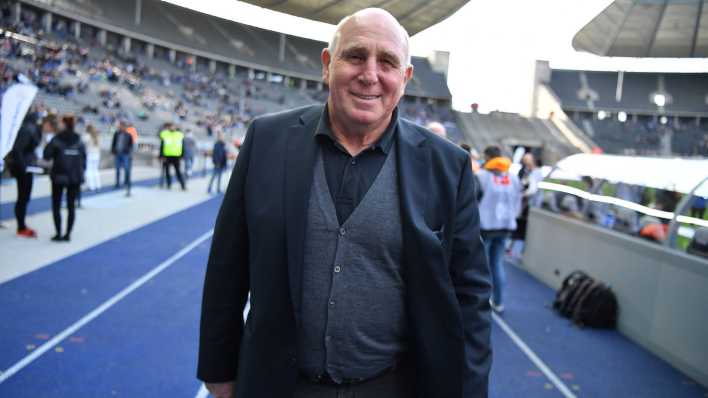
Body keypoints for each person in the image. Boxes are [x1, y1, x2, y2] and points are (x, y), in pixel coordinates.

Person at [197, 8, 491, 398]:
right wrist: (218, 368)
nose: (370, 74)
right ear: (327, 64)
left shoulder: (446, 165)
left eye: (387, 62)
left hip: (394, 387)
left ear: (404, 79)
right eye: (355, 56)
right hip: (277, 385)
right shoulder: (267, 140)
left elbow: (469, 297)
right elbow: (227, 265)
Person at [476, 145, 522, 313]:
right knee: (497, 264)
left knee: (480, 266)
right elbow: (518, 201)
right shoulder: (514, 178)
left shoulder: (481, 177)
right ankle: (499, 301)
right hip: (505, 227)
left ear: (488, 158)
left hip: (486, 227)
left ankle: (480, 302)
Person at [43, 115, 86, 242]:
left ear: (64, 124)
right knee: (71, 206)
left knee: (56, 205)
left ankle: (58, 233)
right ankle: (67, 234)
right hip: (74, 178)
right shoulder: (79, 139)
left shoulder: (57, 139)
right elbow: (84, 159)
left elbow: (46, 156)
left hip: (58, 177)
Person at [7, 111, 42, 238]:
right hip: (24, 168)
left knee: (23, 198)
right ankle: (21, 226)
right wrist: (24, 168)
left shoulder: (27, 128)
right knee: (23, 198)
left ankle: (21, 225)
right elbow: (18, 150)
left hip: (25, 166)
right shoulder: (28, 130)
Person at [159, 123, 186, 190]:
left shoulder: (179, 135)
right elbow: (162, 145)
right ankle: (169, 184)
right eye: (170, 126)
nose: (172, 127)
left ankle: (182, 185)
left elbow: (183, 146)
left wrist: (182, 155)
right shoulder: (164, 134)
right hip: (167, 156)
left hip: (176, 156)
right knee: (167, 172)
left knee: (178, 172)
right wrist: (161, 155)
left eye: (173, 126)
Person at [111, 120, 133, 196]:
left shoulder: (128, 135)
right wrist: (113, 151)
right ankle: (117, 183)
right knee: (117, 169)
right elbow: (113, 143)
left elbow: (131, 145)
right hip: (118, 153)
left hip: (125, 154)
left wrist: (129, 153)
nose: (121, 127)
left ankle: (126, 183)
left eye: (122, 126)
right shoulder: (116, 134)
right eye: (120, 126)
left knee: (126, 169)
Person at [84, 124, 101, 191]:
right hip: (97, 154)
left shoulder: (87, 136)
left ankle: (91, 186)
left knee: (89, 170)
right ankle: (97, 185)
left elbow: (82, 141)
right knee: (95, 170)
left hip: (90, 154)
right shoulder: (97, 136)